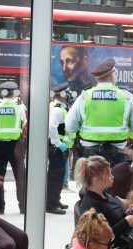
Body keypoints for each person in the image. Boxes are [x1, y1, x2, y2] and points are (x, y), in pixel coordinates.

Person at [65, 57, 133, 167]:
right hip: (117, 153)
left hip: (90, 154)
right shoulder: (126, 96)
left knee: (91, 183)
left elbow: (70, 127)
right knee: (117, 182)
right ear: (112, 75)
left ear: (97, 78)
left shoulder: (84, 96)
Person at [0, 81, 27, 215]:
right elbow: (23, 124)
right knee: (20, 176)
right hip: (16, 146)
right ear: (14, 93)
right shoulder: (19, 108)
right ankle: (23, 206)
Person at [47, 82, 72, 215]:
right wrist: (58, 143)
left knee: (58, 175)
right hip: (58, 148)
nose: (68, 95)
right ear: (62, 94)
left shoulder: (58, 107)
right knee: (55, 176)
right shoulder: (57, 109)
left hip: (60, 147)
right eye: (67, 93)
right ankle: (51, 204)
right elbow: (52, 127)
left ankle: (56, 200)